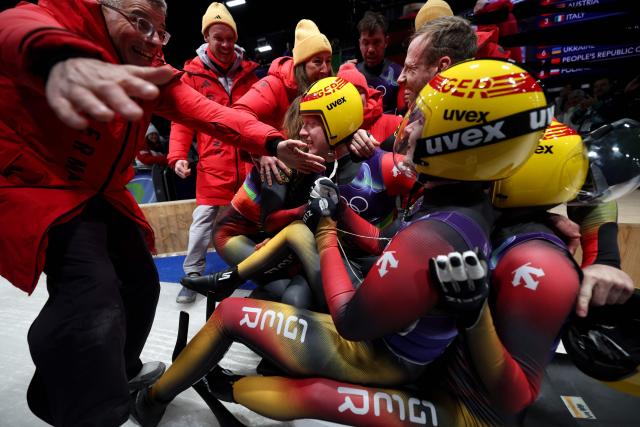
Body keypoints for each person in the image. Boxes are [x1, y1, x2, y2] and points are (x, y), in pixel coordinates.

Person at [132, 58, 556, 427]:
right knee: (292, 267)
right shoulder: (470, 207)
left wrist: (325, 226)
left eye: (424, 118)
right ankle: (230, 326)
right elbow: (383, 244)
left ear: (458, 137)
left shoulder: (415, 206)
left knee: (240, 313)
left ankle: (154, 401)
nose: (408, 125)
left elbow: (353, 318)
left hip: (378, 345)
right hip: (401, 331)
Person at [0, 0, 325, 424]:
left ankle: (119, 369)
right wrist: (63, 57)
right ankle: (85, 409)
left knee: (141, 284)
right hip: (44, 186)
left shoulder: (150, 68)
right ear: (103, 7)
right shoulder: (58, 21)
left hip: (100, 191)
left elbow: (206, 112)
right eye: (140, 23)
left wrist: (270, 141)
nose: (153, 38)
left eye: (160, 30)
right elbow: (12, 26)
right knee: (93, 299)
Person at [170, 2, 258, 304]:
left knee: (253, 218)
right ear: (206, 38)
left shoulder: (250, 74)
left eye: (229, 37)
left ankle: (252, 268)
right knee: (203, 220)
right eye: (217, 37)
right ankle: (192, 274)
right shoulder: (191, 76)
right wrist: (177, 155)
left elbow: (262, 114)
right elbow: (181, 120)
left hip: (248, 166)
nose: (224, 44)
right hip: (212, 167)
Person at [234, 18, 333, 184]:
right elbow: (237, 115)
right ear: (301, 64)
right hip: (270, 177)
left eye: (328, 61)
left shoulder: (326, 88)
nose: (325, 69)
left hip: (306, 173)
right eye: (317, 61)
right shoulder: (273, 84)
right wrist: (263, 151)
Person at [352, 11, 403, 114]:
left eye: (376, 42)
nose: (371, 49)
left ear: (386, 42)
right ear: (359, 44)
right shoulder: (352, 75)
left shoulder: (400, 74)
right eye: (365, 43)